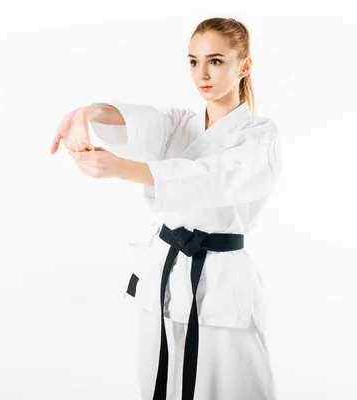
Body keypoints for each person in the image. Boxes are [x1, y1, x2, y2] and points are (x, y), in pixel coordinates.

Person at [50, 17, 282, 400]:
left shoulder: (260, 136)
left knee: (232, 384)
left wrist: (124, 169)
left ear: (244, 65)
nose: (202, 74)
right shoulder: (182, 124)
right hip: (164, 271)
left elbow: (211, 178)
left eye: (216, 61)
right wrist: (87, 113)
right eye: (193, 61)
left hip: (222, 282)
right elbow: (142, 122)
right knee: (161, 375)